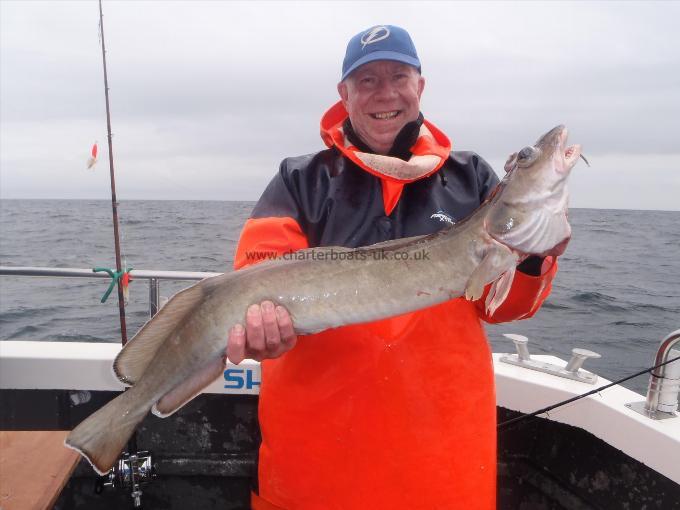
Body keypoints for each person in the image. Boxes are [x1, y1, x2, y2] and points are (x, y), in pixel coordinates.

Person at [229, 25, 558, 510]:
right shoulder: (299, 180)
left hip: (444, 465)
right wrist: (260, 325)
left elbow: (502, 307)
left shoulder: (473, 179)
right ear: (344, 95)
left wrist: (531, 255)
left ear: (419, 86)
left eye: (398, 77)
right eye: (366, 81)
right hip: (314, 465)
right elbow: (254, 282)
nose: (385, 93)